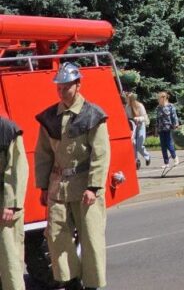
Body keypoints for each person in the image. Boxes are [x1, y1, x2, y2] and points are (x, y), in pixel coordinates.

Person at [34, 62, 110, 290]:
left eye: (66, 86)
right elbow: (43, 154)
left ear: (78, 85)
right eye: (59, 87)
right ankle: (71, 282)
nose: (61, 91)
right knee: (57, 237)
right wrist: (43, 187)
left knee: (91, 239)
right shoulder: (49, 117)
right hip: (58, 187)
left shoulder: (93, 115)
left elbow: (101, 154)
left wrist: (94, 187)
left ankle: (93, 285)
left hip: (85, 187)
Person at [1, 113, 27, 290]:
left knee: (9, 257)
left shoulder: (7, 130)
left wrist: (11, 204)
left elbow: (17, 169)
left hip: (3, 202)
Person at [153, 92, 180, 170]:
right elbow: (157, 119)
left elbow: (174, 117)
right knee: (163, 146)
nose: (158, 99)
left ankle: (175, 158)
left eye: (159, 98)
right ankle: (166, 163)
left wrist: (176, 125)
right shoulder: (158, 107)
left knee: (169, 144)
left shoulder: (171, 106)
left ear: (164, 98)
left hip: (169, 128)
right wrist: (156, 129)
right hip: (161, 129)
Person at [125, 93, 150, 169]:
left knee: (139, 145)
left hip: (140, 126)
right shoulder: (127, 107)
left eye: (127, 98)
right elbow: (126, 116)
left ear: (131, 99)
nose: (126, 99)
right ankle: (135, 161)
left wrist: (139, 118)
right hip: (133, 126)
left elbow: (145, 117)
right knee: (133, 144)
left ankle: (147, 156)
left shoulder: (140, 106)